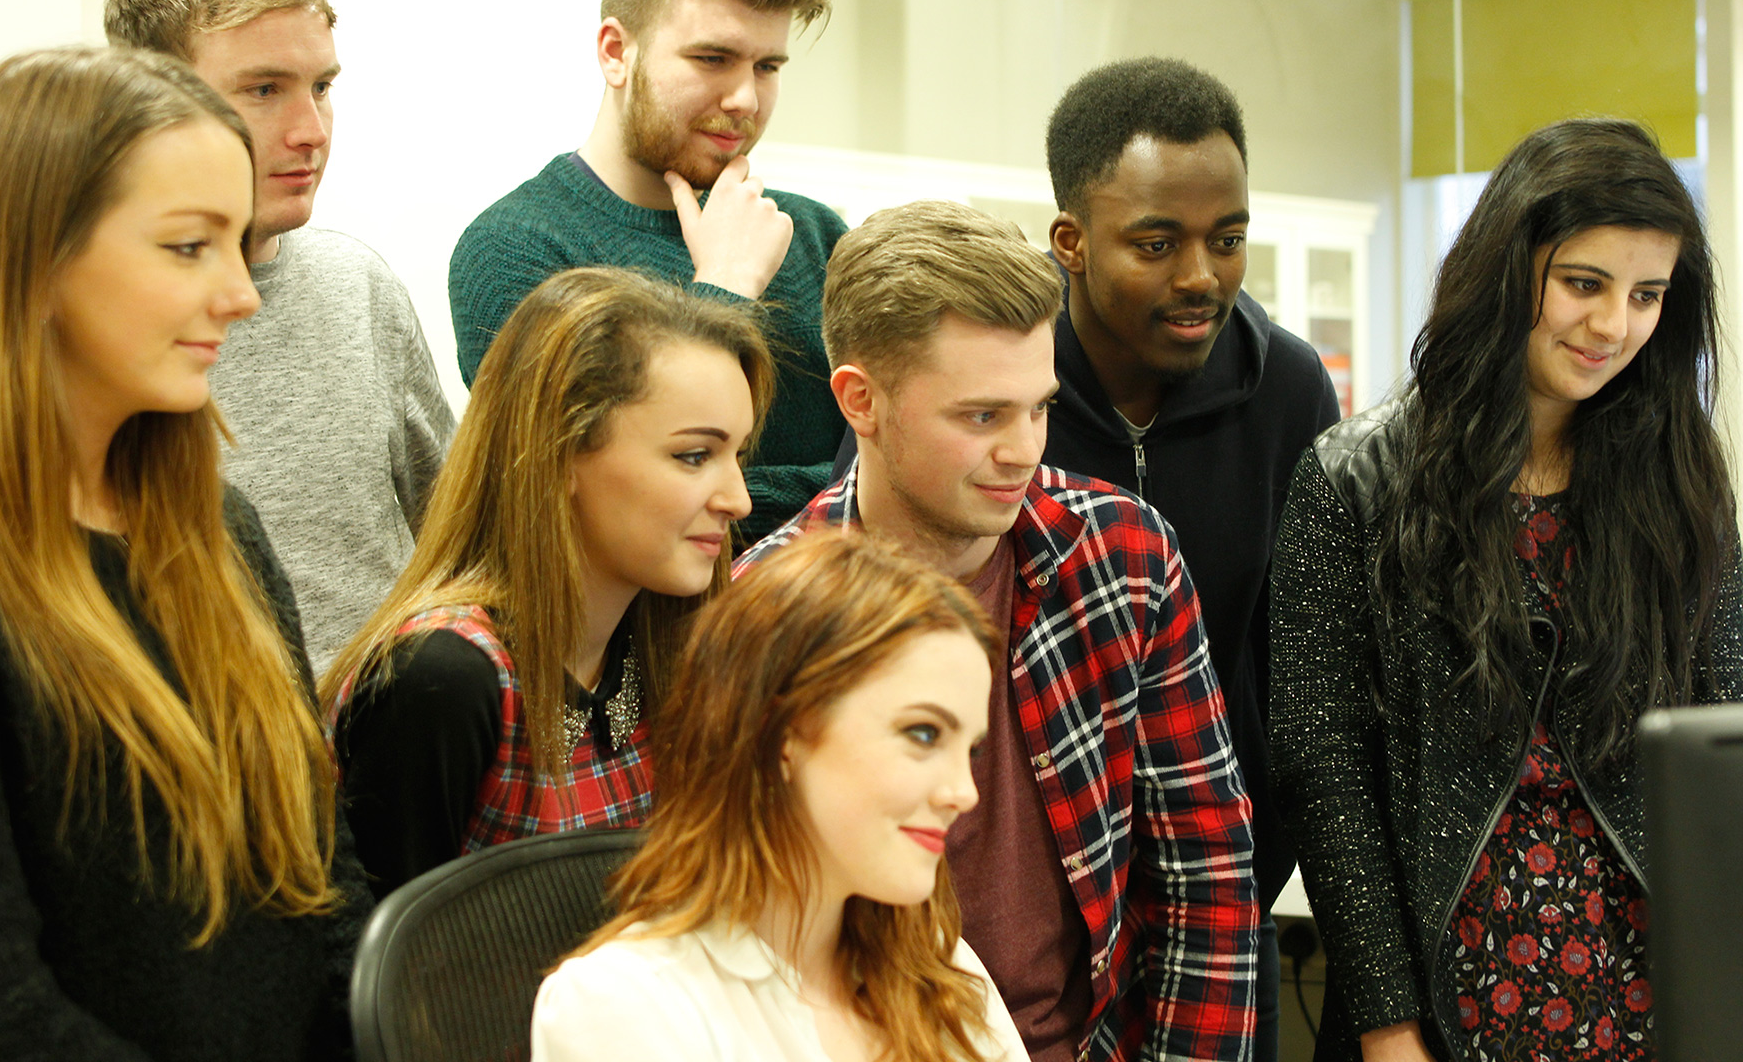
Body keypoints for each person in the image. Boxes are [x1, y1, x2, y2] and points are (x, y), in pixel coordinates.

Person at [1270, 118, 1743, 1062]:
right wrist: (1388, 1026)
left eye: (1647, 294)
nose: (1614, 327)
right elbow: (1324, 771)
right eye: (1583, 284)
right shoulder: (1353, 478)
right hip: (1443, 996)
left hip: (1656, 982)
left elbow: (1724, 728)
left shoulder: (1682, 472)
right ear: (1506, 267)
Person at [741, 201, 1258, 1062]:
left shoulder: (1123, 556)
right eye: (982, 417)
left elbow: (1205, 871)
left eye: (1039, 408)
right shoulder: (767, 615)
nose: (1024, 450)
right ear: (860, 402)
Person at [0, 47, 370, 1060]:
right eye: (188, 248)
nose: (241, 295)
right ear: (33, 260)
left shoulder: (222, 535)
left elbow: (325, 885)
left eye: (240, 244)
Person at [1046, 56, 1340, 1061]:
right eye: (1157, 243)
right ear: (1072, 244)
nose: (1201, 277)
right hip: (1031, 913)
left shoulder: (1288, 390)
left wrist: (1261, 861)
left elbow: (1306, 666)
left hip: (1219, 907)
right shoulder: (997, 379)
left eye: (1228, 239)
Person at [321, 268, 770, 900]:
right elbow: (390, 980)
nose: (739, 499)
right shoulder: (443, 677)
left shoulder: (669, 649)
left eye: (738, 457)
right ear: (559, 456)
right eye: (694, 456)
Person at [532, 531, 1028, 1061]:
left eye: (968, 750)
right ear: (782, 729)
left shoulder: (938, 965)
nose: (963, 792)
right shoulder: (624, 1008)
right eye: (924, 734)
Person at [106, 0, 456, 675]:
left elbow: (459, 539)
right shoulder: (100, 325)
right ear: (146, 96)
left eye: (323, 87)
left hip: (391, 740)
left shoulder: (357, 285)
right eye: (265, 90)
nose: (312, 132)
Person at [448, 0, 844, 541]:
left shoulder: (813, 233)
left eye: (768, 65)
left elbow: (891, 463)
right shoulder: (514, 249)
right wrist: (726, 287)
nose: (746, 97)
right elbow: (592, 504)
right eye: (712, 58)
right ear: (615, 52)